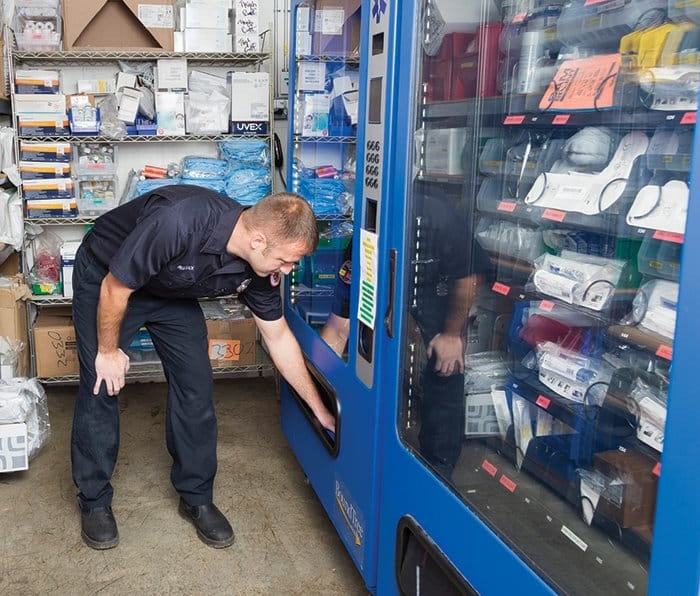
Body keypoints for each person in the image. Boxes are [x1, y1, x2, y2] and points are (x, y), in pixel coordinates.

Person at [71, 185, 335, 551]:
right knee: (102, 382)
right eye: (286, 261)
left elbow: (278, 338)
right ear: (258, 240)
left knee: (195, 385)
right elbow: (116, 288)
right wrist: (108, 351)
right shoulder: (179, 222)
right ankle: (95, 499)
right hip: (109, 279)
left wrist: (321, 409)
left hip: (169, 291)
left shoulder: (259, 266)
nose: (288, 271)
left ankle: (196, 496)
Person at [320, 187, 487, 479]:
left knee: (445, 365)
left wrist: (451, 334)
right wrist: (317, 393)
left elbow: (468, 277)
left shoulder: (438, 219)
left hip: (441, 290)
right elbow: (338, 328)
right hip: (392, 296)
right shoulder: (359, 247)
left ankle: (438, 468)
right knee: (375, 356)